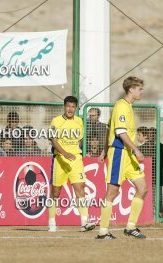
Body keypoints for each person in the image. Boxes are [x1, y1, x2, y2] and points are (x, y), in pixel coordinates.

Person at [97, 76, 148, 239]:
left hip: (128, 154)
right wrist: (136, 150)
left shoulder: (128, 107)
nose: (141, 91)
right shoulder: (121, 106)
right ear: (130, 89)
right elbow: (119, 132)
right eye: (139, 88)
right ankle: (103, 231)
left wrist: (104, 149)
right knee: (112, 192)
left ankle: (130, 227)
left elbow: (111, 129)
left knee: (143, 188)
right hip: (119, 153)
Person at [47, 96, 96, 233]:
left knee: (80, 189)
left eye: (73, 106)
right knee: (55, 193)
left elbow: (79, 140)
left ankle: (84, 222)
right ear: (64, 107)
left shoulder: (79, 121)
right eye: (68, 106)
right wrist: (64, 153)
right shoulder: (56, 121)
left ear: (75, 108)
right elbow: (53, 140)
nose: (70, 109)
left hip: (76, 160)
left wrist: (73, 153)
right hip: (60, 160)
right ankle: (51, 222)